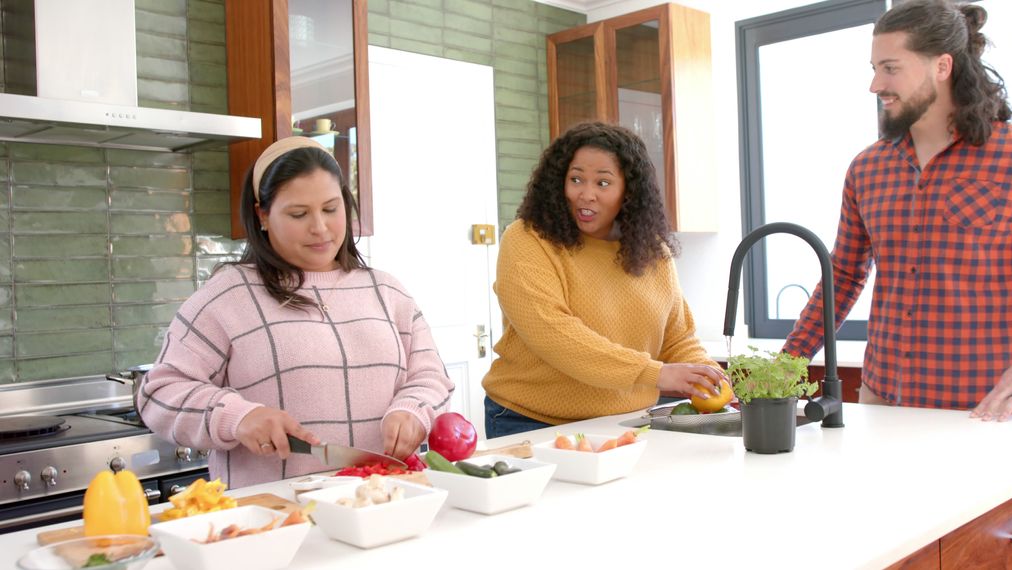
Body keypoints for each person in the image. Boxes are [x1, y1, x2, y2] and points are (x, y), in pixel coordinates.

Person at [782, 0, 1012, 422]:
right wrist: (784, 365)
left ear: (942, 66)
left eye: (890, 68)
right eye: (873, 68)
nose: (875, 85)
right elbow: (843, 277)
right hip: (881, 401)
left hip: (983, 411)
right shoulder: (867, 168)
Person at [137, 137, 453, 488]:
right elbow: (159, 393)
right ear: (262, 215)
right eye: (299, 214)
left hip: (383, 501)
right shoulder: (228, 295)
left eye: (331, 209)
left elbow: (431, 376)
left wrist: (412, 409)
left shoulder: (386, 291)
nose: (319, 227)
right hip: (277, 517)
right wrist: (239, 417)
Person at [481, 122, 726, 438]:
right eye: (576, 179)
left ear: (629, 191)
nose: (587, 194)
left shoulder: (652, 251)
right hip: (533, 421)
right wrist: (655, 373)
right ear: (559, 183)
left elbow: (677, 339)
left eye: (603, 182)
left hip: (628, 423)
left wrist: (706, 376)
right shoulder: (528, 240)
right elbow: (554, 334)